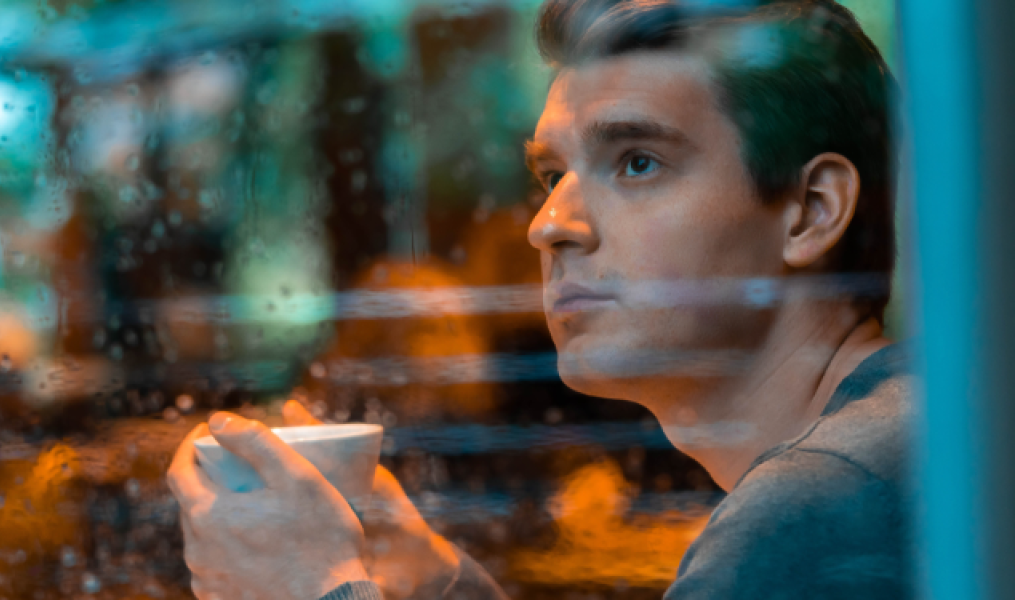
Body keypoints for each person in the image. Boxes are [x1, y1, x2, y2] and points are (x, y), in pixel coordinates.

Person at [166, 0, 913, 598]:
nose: (548, 224)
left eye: (637, 162)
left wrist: (316, 592)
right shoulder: (897, 440)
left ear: (811, 210)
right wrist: (432, 585)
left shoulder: (814, 506)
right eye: (550, 175)